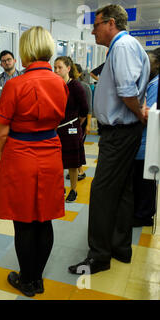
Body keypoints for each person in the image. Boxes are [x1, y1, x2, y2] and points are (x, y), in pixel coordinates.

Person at [69, 4, 150, 275]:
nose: (93, 31)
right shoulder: (123, 47)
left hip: (120, 131)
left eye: (96, 25)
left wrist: (139, 113)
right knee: (122, 191)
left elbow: (127, 89)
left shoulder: (123, 47)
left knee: (102, 193)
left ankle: (99, 256)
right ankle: (119, 247)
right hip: (122, 131)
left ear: (111, 24)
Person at [0, 26, 68, 297]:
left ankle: (27, 280)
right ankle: (38, 278)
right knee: (44, 219)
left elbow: (0, 133)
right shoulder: (60, 82)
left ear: (25, 51)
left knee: (23, 221)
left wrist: (6, 159)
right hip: (50, 154)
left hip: (21, 155)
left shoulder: (15, 84)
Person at [54, 56, 88, 203]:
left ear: (68, 68)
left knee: (73, 163)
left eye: (59, 67)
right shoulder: (54, 85)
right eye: (54, 67)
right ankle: (60, 188)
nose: (56, 70)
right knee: (57, 162)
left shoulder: (75, 86)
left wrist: (76, 123)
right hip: (57, 130)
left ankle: (73, 189)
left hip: (72, 128)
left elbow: (84, 109)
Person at [133, 48, 159, 227]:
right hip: (143, 141)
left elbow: (147, 113)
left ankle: (144, 215)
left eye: (147, 63)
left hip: (146, 142)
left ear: (157, 64)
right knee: (141, 181)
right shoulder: (150, 82)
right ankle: (142, 211)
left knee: (145, 182)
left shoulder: (155, 84)